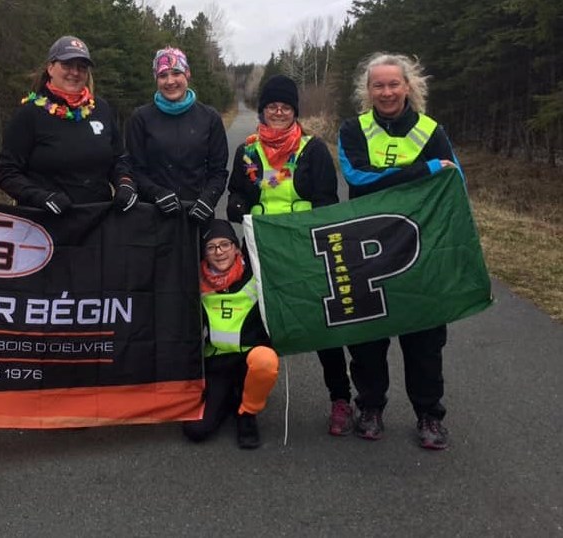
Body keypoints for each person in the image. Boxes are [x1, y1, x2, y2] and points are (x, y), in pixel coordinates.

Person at [337, 52, 464, 450]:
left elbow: (453, 181)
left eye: (394, 84)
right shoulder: (352, 129)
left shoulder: (431, 130)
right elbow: (359, 178)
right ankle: (370, 407)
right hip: (366, 246)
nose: (387, 91)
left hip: (418, 250)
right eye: (379, 85)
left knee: (424, 337)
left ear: (409, 86)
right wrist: (422, 171)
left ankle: (429, 414)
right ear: (368, 90)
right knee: (367, 336)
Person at [226, 74, 355, 437]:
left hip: (303, 253)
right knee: (256, 327)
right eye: (271, 106)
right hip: (261, 252)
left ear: (294, 111)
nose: (278, 112)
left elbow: (328, 202)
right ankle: (244, 401)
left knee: (318, 328)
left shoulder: (312, 149)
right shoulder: (248, 150)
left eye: (284, 106)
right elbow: (236, 192)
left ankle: (341, 398)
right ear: (263, 111)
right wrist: (237, 206)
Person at [0, 35, 137, 214]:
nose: (75, 72)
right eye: (67, 65)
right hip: (45, 222)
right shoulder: (29, 113)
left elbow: (119, 158)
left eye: (81, 67)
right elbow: (6, 172)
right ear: (50, 68)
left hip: (97, 220)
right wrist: (40, 197)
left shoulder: (100, 108)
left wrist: (125, 183)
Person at [183, 220, 280, 449]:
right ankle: (229, 397)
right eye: (211, 247)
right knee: (195, 430)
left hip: (250, 360)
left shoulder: (255, 276)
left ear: (237, 248)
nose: (219, 252)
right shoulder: (196, 282)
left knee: (265, 360)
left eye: (225, 244)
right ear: (204, 254)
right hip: (217, 363)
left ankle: (247, 413)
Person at [125, 46, 228, 222]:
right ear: (156, 79)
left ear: (187, 74)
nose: (170, 81)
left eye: (176, 73)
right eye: (163, 75)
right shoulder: (140, 118)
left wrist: (209, 199)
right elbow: (135, 168)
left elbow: (218, 171)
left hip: (198, 214)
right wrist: (156, 193)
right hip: (153, 215)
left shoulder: (209, 117)